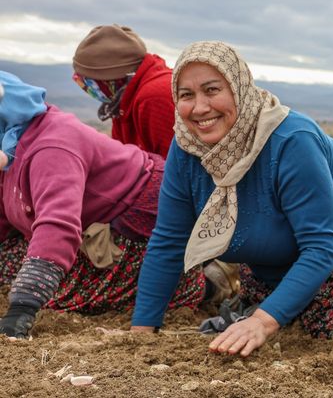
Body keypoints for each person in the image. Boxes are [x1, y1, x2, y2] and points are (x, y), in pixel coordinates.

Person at [131, 41, 333, 357]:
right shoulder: (187, 148)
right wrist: (141, 330)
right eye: (186, 95)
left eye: (212, 90)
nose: (199, 108)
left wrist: (262, 322)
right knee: (284, 315)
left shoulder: (291, 139)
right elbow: (169, 240)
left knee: (330, 332)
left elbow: (320, 246)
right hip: (280, 244)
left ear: (239, 88)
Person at [0, 71, 203, 338]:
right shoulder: (11, 143)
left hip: (138, 223)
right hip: (90, 224)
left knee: (62, 296)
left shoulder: (52, 147)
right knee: (9, 265)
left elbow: (58, 225)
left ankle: (193, 282)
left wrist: (22, 308)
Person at [73, 24, 175, 158]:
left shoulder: (154, 98)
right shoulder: (124, 98)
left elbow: (176, 164)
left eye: (89, 81)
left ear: (110, 79)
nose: (87, 88)